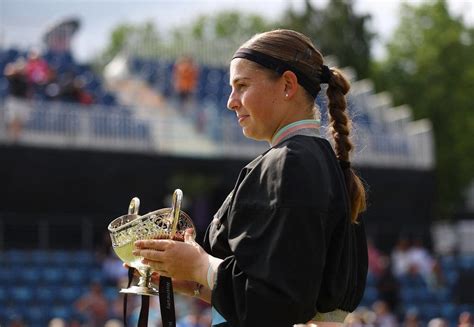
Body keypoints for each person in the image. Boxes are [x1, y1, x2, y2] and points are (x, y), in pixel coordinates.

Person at [134, 29, 368, 327]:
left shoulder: (289, 163)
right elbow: (294, 294)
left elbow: (278, 303)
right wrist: (195, 281)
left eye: (241, 86)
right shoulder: (322, 162)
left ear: (287, 85)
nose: (231, 101)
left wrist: (200, 265)